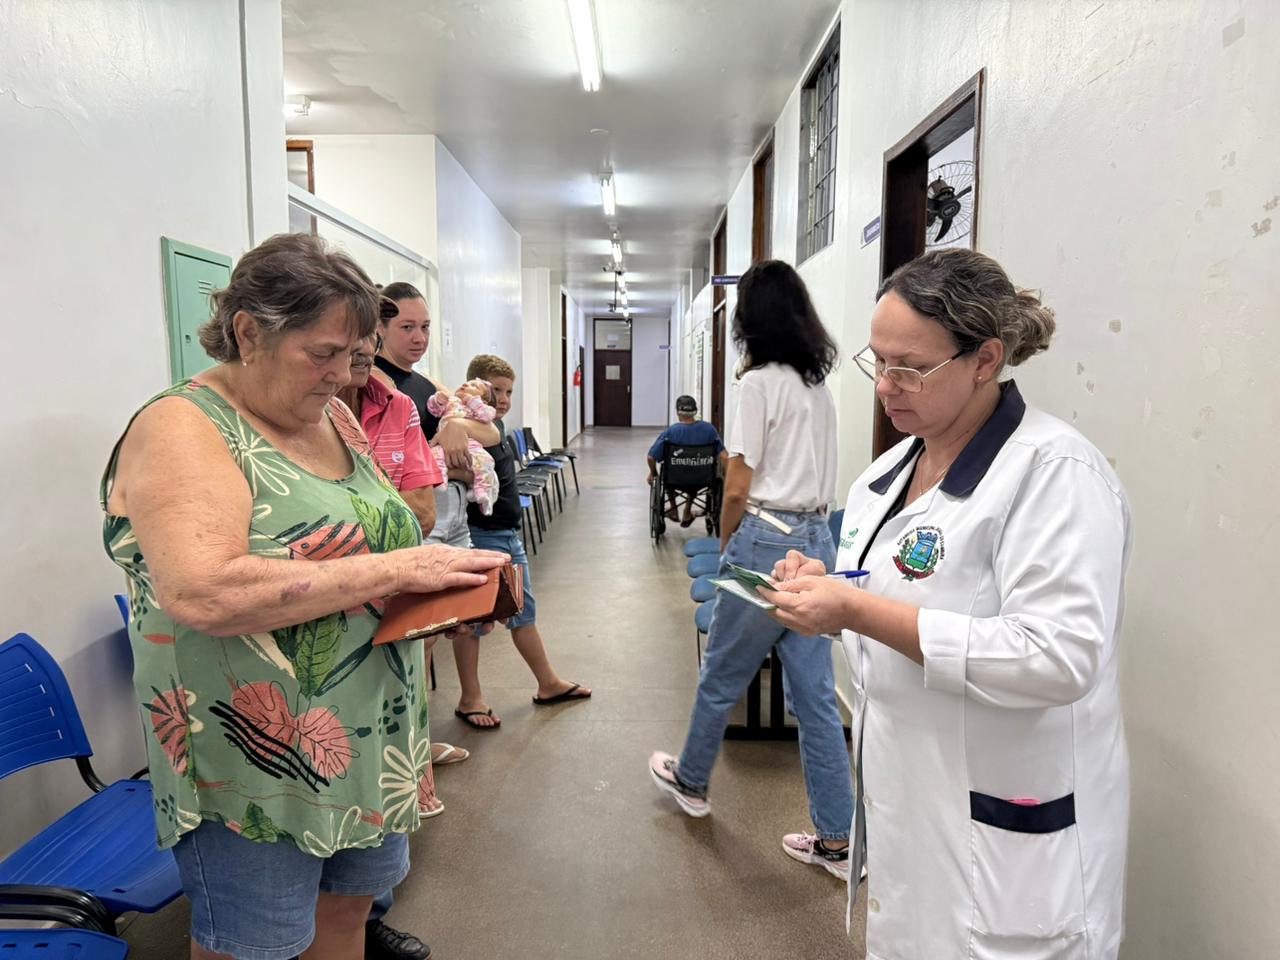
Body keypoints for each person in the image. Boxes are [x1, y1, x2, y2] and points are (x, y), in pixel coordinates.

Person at [100, 233, 506, 960]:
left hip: (369, 736)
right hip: (257, 759)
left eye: (354, 355)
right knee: (255, 945)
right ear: (248, 332)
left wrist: (430, 594)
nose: (341, 375)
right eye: (322, 353)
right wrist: (395, 574)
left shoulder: (334, 416)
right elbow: (206, 591)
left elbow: (374, 539)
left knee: (347, 916)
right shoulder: (184, 426)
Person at [761, 248, 1131, 958]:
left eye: (911, 367)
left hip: (1008, 838)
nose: (886, 386)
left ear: (985, 359)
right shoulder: (886, 475)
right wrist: (828, 586)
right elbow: (897, 597)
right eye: (878, 362)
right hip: (913, 816)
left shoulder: (1055, 474)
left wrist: (857, 610)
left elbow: (1058, 657)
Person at [648, 260, 855, 880]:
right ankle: (838, 839)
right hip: (816, 540)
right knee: (816, 698)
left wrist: (728, 545)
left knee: (722, 672)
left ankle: (691, 780)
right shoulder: (816, 386)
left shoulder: (758, 384)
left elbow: (737, 485)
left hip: (764, 541)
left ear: (749, 320)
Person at [452, 353, 591, 729]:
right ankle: (470, 698)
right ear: (475, 391)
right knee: (473, 622)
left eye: (508, 392)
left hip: (508, 535)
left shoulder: (494, 426)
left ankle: (548, 683)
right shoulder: (464, 428)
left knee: (524, 613)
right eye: (494, 391)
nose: (502, 399)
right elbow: (454, 469)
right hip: (483, 536)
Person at [645, 395, 727, 525]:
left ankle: (673, 509)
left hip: (675, 479)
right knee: (695, 474)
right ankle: (687, 511)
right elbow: (724, 456)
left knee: (670, 474)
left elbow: (651, 457)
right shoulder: (709, 430)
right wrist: (727, 477)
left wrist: (653, 473)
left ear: (678, 412)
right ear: (696, 411)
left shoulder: (671, 432)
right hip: (703, 479)